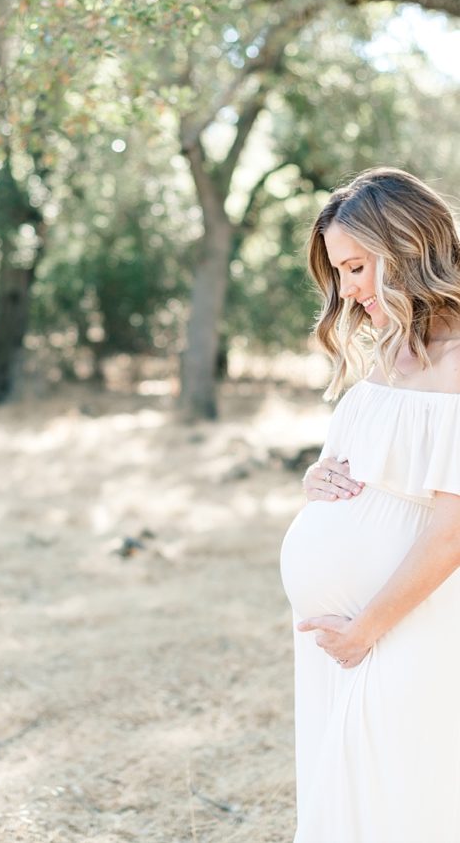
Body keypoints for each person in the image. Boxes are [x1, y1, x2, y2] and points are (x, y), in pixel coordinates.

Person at [279, 167, 460, 843]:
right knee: (346, 803)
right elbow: (379, 471)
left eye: (357, 266)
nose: (348, 290)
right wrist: (318, 483)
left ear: (410, 244)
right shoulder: (390, 349)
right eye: (339, 272)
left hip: (405, 622)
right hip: (345, 635)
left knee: (402, 803)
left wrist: (366, 630)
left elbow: (452, 533)